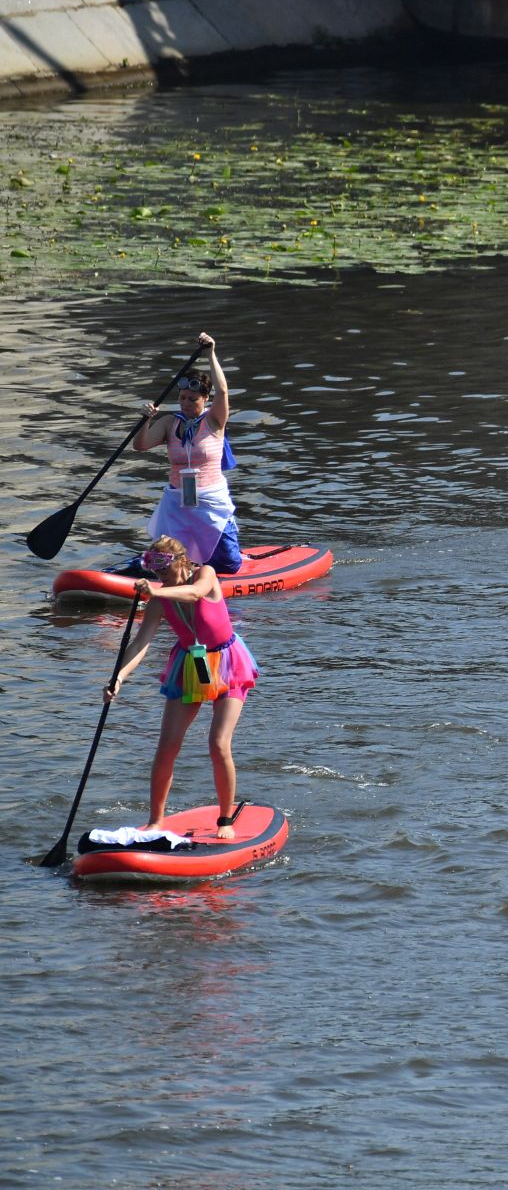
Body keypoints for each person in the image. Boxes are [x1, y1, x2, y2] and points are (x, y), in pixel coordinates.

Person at [103, 535, 260, 837]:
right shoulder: (159, 598)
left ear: (181, 561)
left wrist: (160, 592)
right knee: (167, 746)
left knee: (217, 743)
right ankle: (155, 820)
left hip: (228, 662)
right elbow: (140, 643)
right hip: (189, 664)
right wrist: (118, 677)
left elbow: (196, 594)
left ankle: (225, 820)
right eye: (154, 572)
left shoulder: (206, 574)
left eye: (163, 569)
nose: (159, 577)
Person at [130, 333, 242, 575]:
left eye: (192, 399)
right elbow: (140, 445)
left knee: (230, 564)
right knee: (165, 561)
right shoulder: (170, 422)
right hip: (177, 501)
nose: (186, 404)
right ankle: (173, 568)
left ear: (205, 399)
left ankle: (203, 566)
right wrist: (145, 421)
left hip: (210, 500)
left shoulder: (214, 420)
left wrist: (211, 353)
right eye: (182, 399)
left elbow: (222, 391)